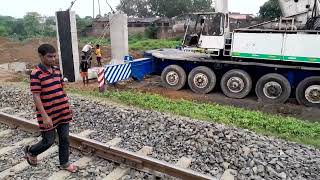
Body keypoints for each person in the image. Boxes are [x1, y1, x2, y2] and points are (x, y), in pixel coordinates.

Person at [24, 44, 77, 173]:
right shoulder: (36, 74)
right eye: (49, 57)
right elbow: (36, 96)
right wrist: (45, 116)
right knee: (49, 141)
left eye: (54, 56)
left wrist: (68, 105)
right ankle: (31, 151)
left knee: (64, 138)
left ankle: (64, 163)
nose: (53, 59)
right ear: (41, 56)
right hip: (48, 114)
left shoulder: (57, 70)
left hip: (63, 111)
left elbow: (61, 89)